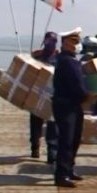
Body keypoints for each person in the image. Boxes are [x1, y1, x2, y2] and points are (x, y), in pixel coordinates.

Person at [52, 27, 89, 188]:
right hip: (65, 104)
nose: (77, 44)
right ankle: (61, 175)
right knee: (66, 140)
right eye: (74, 41)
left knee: (75, 138)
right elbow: (75, 85)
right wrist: (87, 96)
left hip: (74, 105)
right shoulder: (66, 61)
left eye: (78, 40)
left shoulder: (72, 60)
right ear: (66, 43)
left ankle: (69, 169)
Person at [30, 31, 60, 162]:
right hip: (38, 93)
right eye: (49, 42)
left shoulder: (59, 57)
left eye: (52, 42)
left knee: (52, 123)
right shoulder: (38, 55)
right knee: (36, 121)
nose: (50, 44)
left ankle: (51, 152)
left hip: (53, 95)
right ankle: (35, 146)